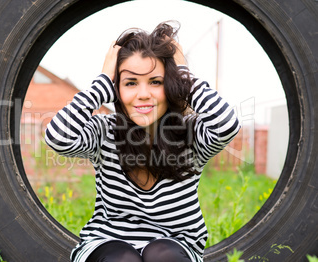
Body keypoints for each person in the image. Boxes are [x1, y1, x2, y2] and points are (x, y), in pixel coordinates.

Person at [45, 21, 240, 262]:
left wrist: (183, 75)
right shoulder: (106, 131)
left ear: (170, 86)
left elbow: (227, 125)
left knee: (162, 256)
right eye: (131, 83)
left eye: (155, 82)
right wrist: (103, 80)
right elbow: (57, 138)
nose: (143, 94)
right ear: (117, 89)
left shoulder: (190, 135)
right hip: (107, 243)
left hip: (175, 245)